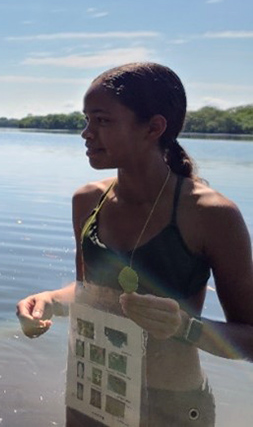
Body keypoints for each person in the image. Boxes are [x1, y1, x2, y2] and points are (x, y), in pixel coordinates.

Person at [16, 62, 253, 426]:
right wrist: (49, 300)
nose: (86, 133)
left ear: (153, 127)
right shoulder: (87, 201)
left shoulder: (210, 214)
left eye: (102, 121)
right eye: (86, 119)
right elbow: (88, 291)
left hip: (172, 407)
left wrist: (185, 326)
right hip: (91, 390)